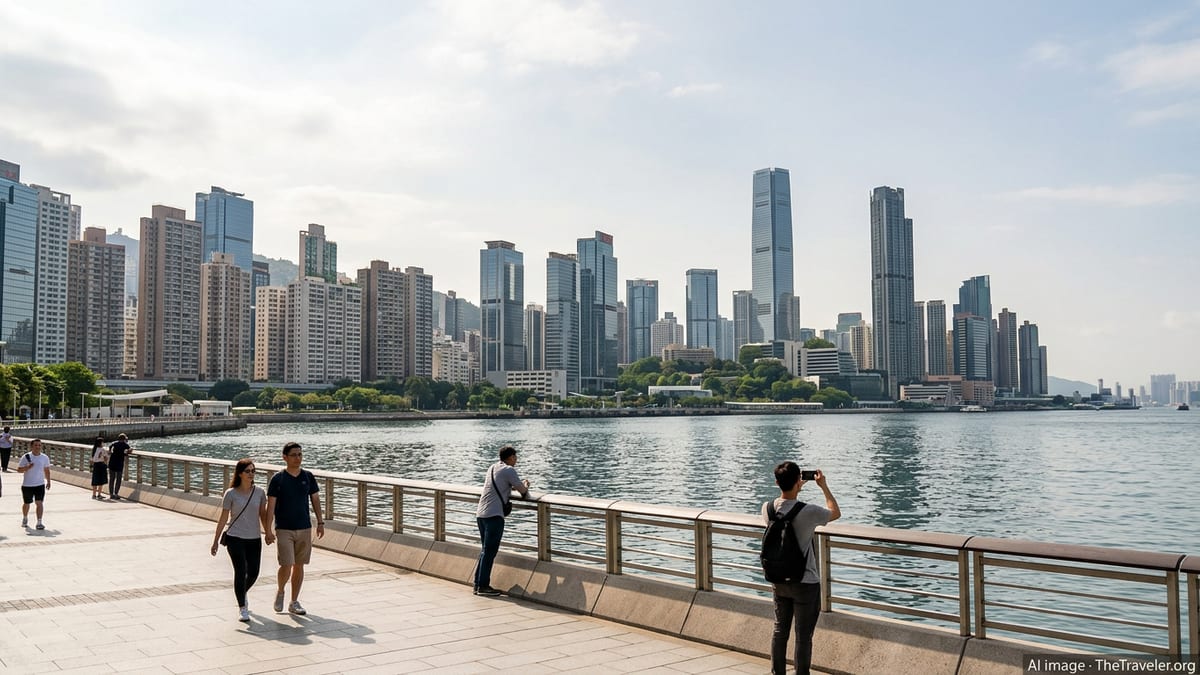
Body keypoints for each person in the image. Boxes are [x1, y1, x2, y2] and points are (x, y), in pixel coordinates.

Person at [762, 463, 840, 675]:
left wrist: (794, 486)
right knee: (803, 637)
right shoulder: (808, 511)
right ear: (799, 481)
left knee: (780, 631)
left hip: (778, 580)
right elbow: (835, 512)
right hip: (805, 582)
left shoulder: (767, 508)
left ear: (777, 482)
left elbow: (783, 507)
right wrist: (823, 486)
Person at [265, 442, 323, 615]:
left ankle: (294, 601)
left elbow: (315, 499)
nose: (298, 458)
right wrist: (267, 530)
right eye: (294, 455)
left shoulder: (308, 476)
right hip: (284, 528)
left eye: (300, 454)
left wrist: (320, 522)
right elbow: (271, 506)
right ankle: (281, 590)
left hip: (304, 527)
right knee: (286, 564)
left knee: (299, 565)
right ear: (285, 457)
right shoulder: (278, 479)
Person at [211, 458, 271, 622]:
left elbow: (263, 515)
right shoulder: (231, 494)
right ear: (240, 473)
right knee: (240, 571)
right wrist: (215, 541)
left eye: (253, 471)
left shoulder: (259, 492)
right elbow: (223, 518)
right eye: (248, 471)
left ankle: (241, 593)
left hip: (254, 538)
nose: (251, 474)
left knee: (254, 572)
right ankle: (242, 607)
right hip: (235, 538)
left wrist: (269, 532)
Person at [473, 445, 530, 597]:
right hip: (494, 516)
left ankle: (478, 584)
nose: (516, 459)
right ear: (510, 457)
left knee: (485, 550)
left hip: (481, 514)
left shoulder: (492, 467)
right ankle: (483, 586)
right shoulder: (509, 470)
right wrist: (526, 484)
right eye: (515, 457)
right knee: (490, 551)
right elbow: (522, 491)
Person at [17, 439, 51, 530]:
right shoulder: (26, 456)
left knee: (39, 503)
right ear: (31, 446)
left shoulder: (45, 457)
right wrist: (27, 467)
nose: (38, 447)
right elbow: (19, 470)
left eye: (39, 445)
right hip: (27, 485)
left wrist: (48, 481)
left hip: (40, 484)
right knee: (27, 503)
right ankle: (25, 518)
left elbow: (47, 470)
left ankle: (39, 522)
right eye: (36, 445)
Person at [107, 433, 133, 500]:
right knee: (118, 479)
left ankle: (111, 494)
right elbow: (130, 449)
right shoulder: (125, 444)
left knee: (112, 479)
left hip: (112, 462)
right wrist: (126, 453)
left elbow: (110, 446)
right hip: (119, 463)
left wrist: (110, 451)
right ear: (124, 439)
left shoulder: (114, 443)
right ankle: (116, 493)